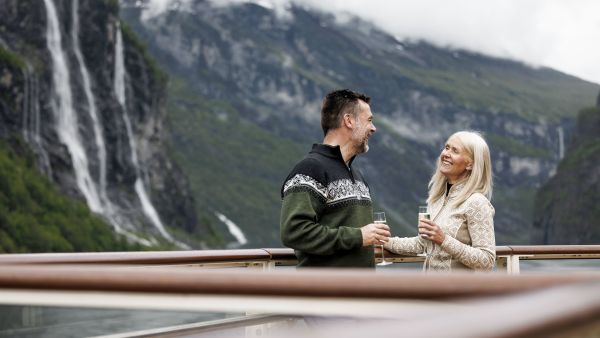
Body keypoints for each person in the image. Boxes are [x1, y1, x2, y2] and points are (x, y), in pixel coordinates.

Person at [280, 89, 390, 268]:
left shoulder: (357, 175)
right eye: (369, 120)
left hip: (360, 292)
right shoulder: (309, 170)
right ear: (348, 120)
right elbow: (294, 232)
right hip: (326, 292)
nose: (373, 128)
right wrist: (358, 236)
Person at [384, 131, 496, 272]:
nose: (446, 154)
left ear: (470, 165)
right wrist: (384, 242)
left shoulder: (477, 202)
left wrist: (443, 239)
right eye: (446, 147)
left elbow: (487, 261)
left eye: (455, 151)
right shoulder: (438, 198)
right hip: (433, 289)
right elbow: (422, 244)